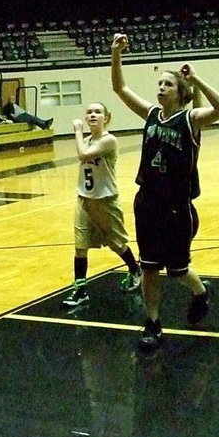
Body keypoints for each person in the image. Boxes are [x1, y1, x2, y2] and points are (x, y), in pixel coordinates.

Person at [111, 34, 219, 353]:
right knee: (149, 266)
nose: (161, 88)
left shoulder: (190, 119)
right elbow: (120, 89)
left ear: (180, 93)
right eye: (160, 84)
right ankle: (153, 323)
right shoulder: (151, 114)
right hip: (147, 202)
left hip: (177, 208)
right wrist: (115, 54)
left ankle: (201, 291)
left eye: (168, 84)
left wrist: (198, 79)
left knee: (177, 271)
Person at [63, 102, 141, 308]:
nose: (93, 115)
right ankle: (80, 290)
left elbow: (83, 155)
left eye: (98, 112)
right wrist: (82, 135)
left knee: (117, 244)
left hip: (106, 201)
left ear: (106, 118)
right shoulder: (87, 140)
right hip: (84, 200)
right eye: (89, 112)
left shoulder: (109, 141)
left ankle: (135, 271)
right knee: (80, 246)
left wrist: (78, 131)